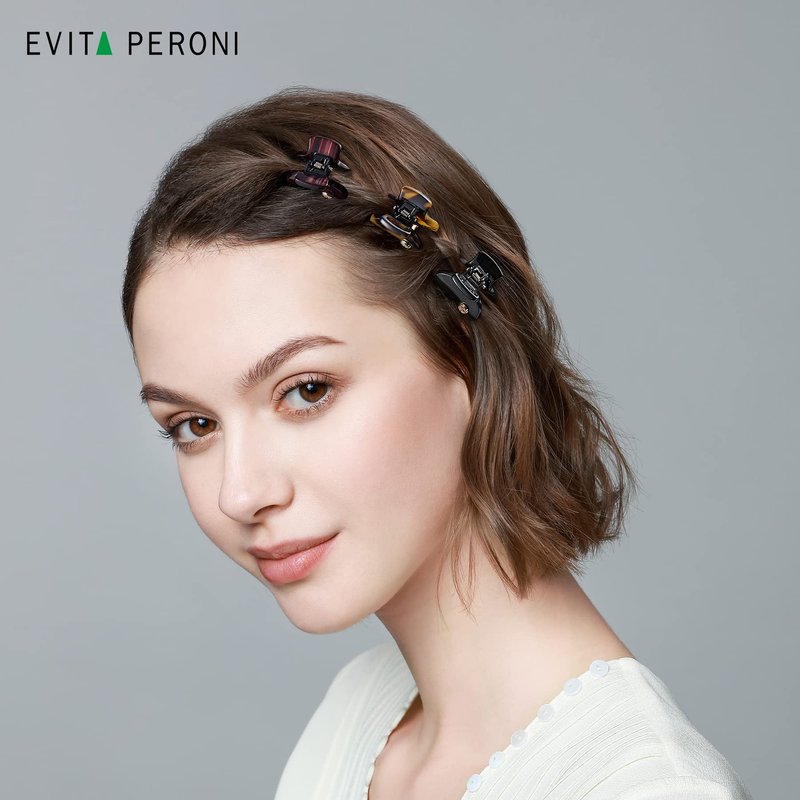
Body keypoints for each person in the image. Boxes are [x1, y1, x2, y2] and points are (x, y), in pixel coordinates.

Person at [122, 87, 753, 800]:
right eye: (194, 426)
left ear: (468, 355)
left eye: (307, 390)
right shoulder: (357, 715)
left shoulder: (644, 788)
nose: (240, 494)